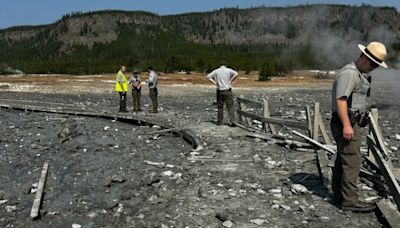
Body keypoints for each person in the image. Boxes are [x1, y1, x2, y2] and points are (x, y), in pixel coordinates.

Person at [331, 41, 387, 212]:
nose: (373, 68)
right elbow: (341, 100)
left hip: (350, 121)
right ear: (363, 57)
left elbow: (354, 101)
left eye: (376, 65)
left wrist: (360, 118)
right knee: (352, 161)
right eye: (372, 63)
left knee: (344, 158)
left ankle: (340, 195)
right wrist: (347, 125)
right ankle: (350, 201)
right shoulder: (350, 74)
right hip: (344, 122)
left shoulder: (360, 74)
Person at [207, 61, 238, 127]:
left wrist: (215, 82)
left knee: (220, 106)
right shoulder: (228, 70)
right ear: (226, 65)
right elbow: (236, 74)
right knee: (230, 107)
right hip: (227, 90)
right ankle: (232, 121)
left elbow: (208, 76)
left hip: (219, 90)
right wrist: (230, 80)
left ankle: (220, 121)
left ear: (220, 65)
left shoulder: (216, 71)